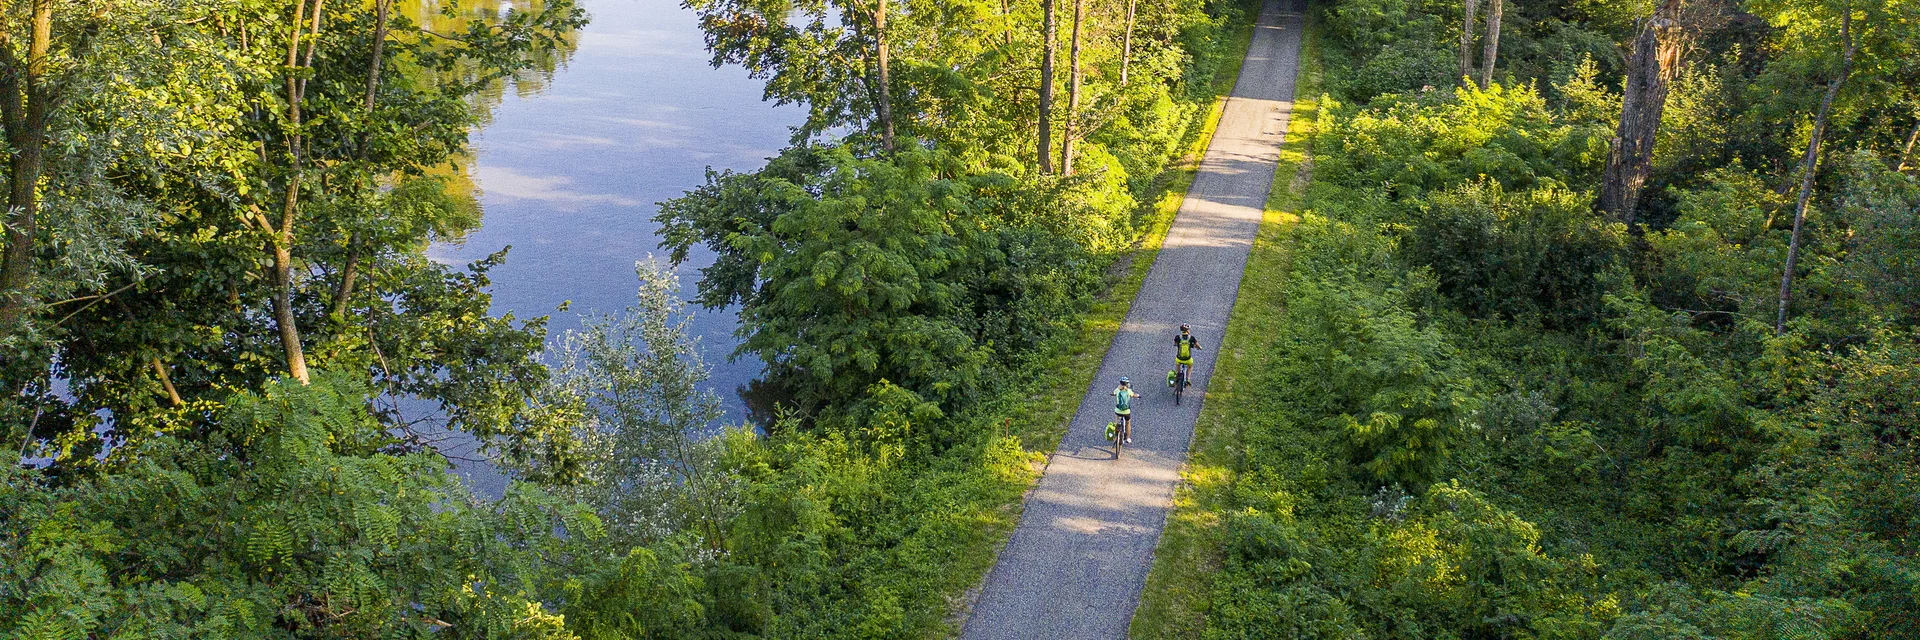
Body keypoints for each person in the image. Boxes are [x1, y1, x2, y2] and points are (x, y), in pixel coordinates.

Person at [1169, 323, 1202, 388]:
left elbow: (1175, 344)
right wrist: (1199, 347)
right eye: (1189, 329)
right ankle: (1188, 379)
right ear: (1187, 330)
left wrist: (1177, 344)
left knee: (1177, 364)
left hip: (1179, 358)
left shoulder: (1177, 337)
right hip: (1188, 359)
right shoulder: (1191, 338)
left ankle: (1178, 375)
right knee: (1190, 366)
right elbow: (1197, 345)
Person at [1112, 377, 1135, 444]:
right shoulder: (1128, 391)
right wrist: (1138, 395)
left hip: (1118, 411)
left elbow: (1113, 393)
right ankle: (1128, 437)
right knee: (1128, 423)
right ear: (1127, 384)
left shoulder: (1117, 390)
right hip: (1126, 411)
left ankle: (1116, 435)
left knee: (1117, 421)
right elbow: (1134, 395)